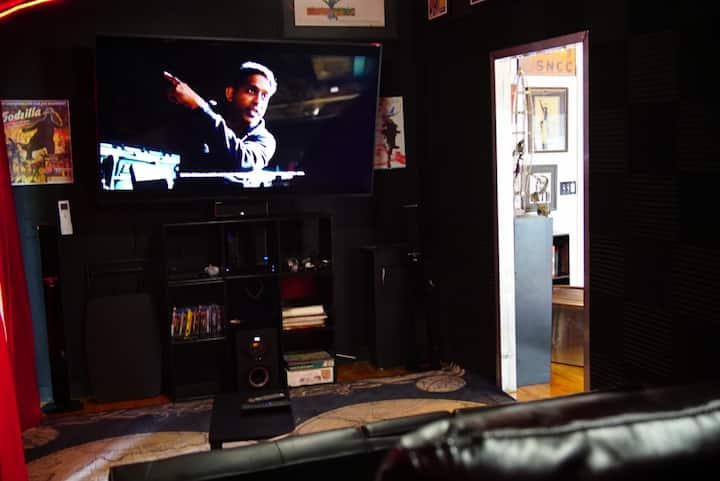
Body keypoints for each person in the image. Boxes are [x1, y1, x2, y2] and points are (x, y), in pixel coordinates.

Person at [163, 61, 277, 173]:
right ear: (230, 93)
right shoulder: (203, 115)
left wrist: (199, 106)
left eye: (264, 96)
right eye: (251, 91)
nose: (258, 101)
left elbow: (240, 161)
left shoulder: (265, 141)